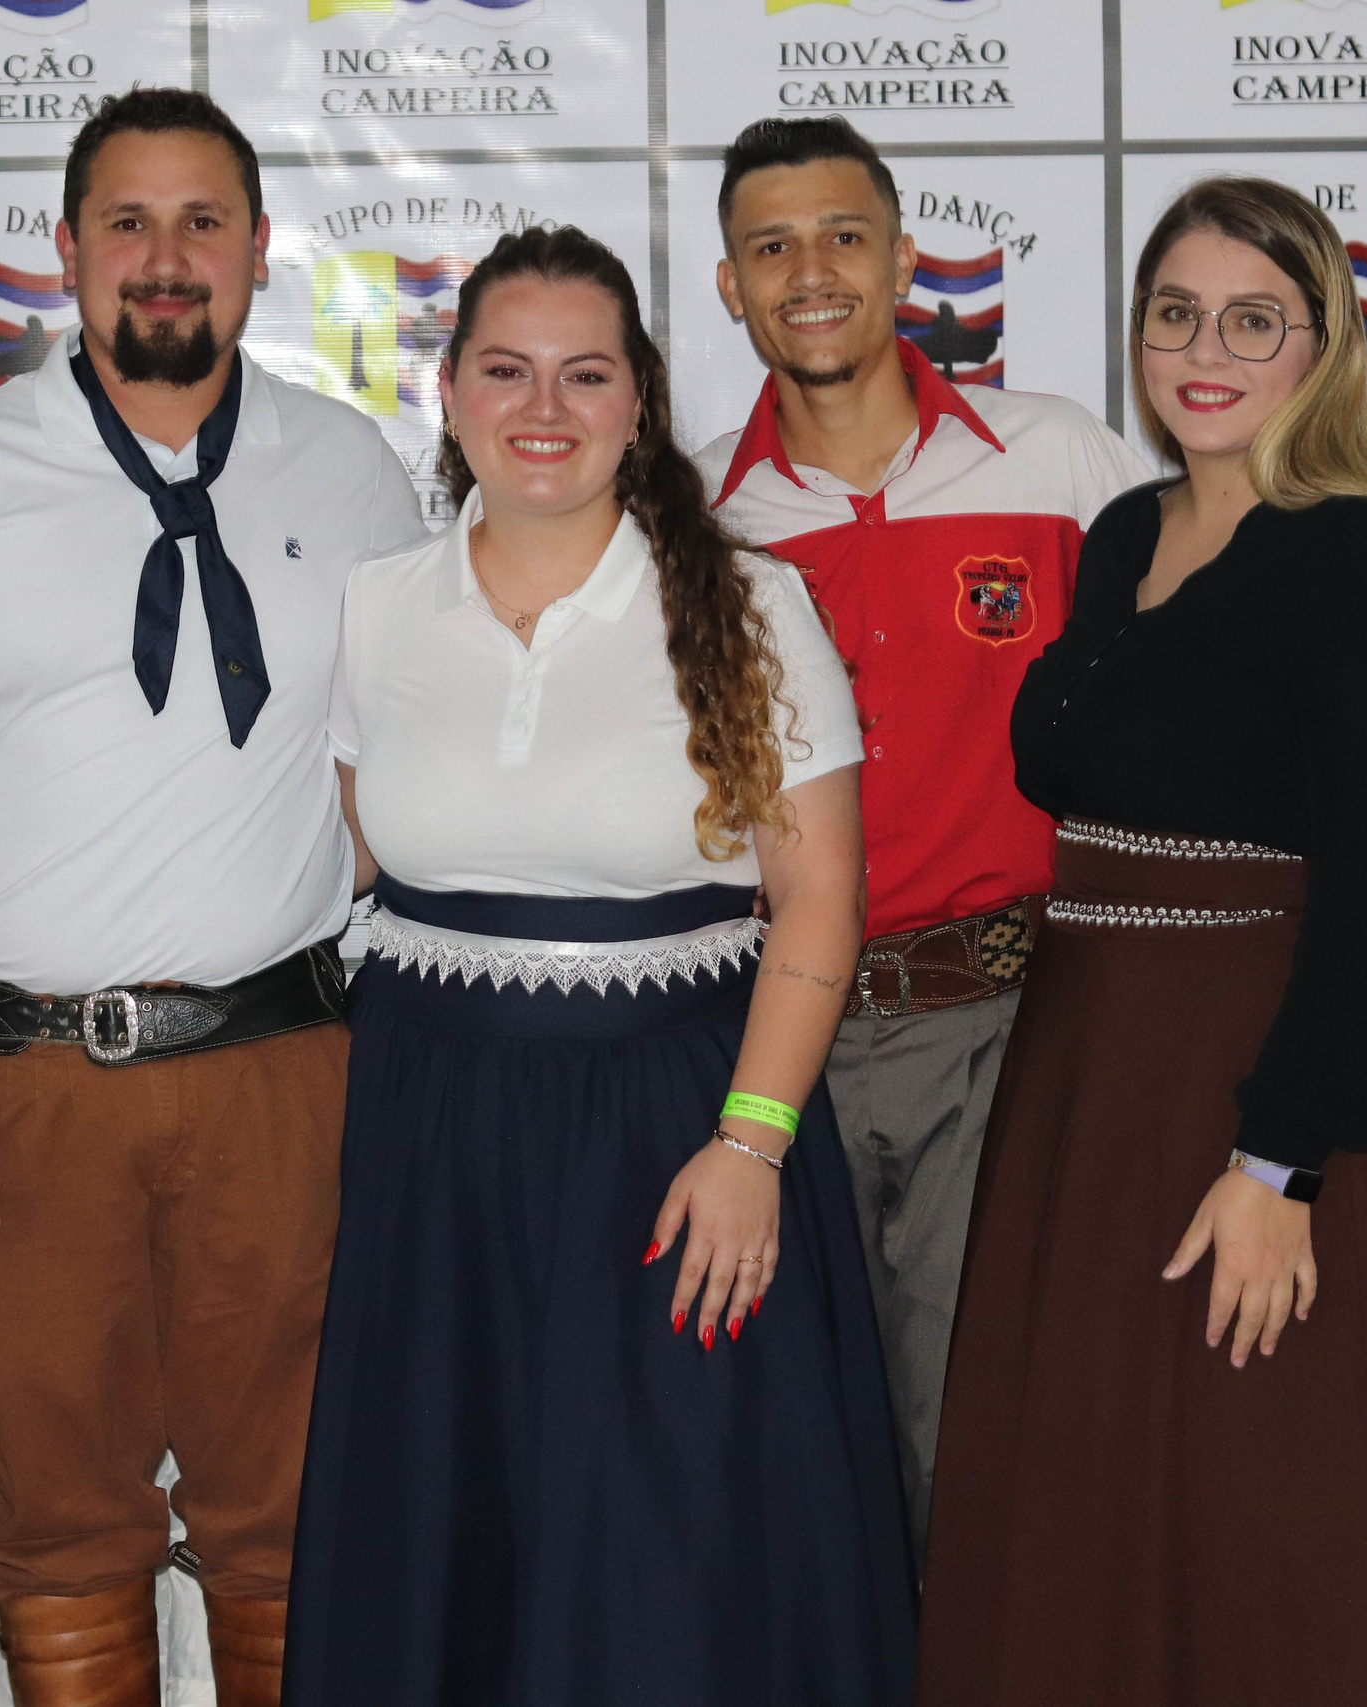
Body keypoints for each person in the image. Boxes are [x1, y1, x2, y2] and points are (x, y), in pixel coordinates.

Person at [0, 90, 424, 1706]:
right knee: (65, 1523)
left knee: (284, 1517)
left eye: (202, 222)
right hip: (24, 1092)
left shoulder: (354, 471)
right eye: (129, 225)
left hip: (283, 1076)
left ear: (259, 253)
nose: (166, 259)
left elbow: (394, 783)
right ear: (68, 253)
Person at [915, 176, 1367, 1705]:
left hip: (1276, 1101)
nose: (1206, 349)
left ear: (1325, 344)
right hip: (1092, 1085)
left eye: (1253, 319)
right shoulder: (1125, 527)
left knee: (1284, 1524)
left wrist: (1283, 1167)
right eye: (1175, 313)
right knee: (1098, 1513)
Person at [285, 225, 913, 1704]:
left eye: (585, 373)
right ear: (448, 394)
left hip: (678, 1132)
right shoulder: (378, 606)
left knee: (669, 1550)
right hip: (435, 1141)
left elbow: (820, 903)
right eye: (505, 371)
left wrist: (752, 1147)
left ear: (641, 399)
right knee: (454, 1533)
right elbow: (375, 860)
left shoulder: (754, 611)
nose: (543, 408)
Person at [696, 115, 1160, 1555]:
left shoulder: (1061, 461)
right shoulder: (696, 513)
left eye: (844, 235)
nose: (812, 271)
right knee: (802, 1455)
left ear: (904, 260)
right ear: (730, 287)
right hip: (776, 1041)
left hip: (1011, 1022)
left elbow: (1180, 727)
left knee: (995, 1442)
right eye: (771, 246)